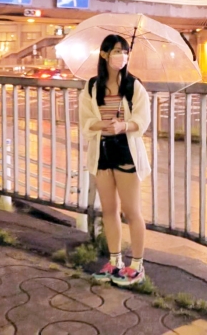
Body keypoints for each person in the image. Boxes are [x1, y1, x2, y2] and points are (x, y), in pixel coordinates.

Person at [79, 34, 151, 287]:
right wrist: (103, 124)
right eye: (117, 51)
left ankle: (137, 266)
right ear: (104, 54)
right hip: (101, 151)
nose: (122, 56)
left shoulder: (133, 85)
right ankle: (114, 261)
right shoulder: (92, 86)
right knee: (109, 210)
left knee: (132, 211)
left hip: (126, 150)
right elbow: (85, 121)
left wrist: (123, 125)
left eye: (125, 52)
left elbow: (142, 120)